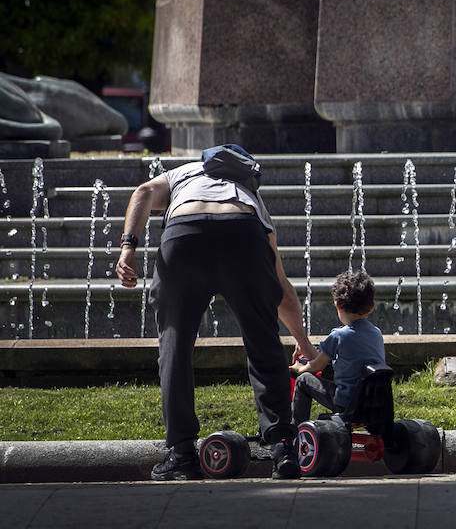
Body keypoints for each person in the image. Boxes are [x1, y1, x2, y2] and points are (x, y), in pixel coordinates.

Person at [115, 144, 317, 481]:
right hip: (243, 232)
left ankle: (181, 455)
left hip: (185, 233)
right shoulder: (251, 199)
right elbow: (281, 288)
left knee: (175, 347)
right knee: (263, 341)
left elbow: (144, 191)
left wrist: (127, 249)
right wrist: (304, 344)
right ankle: (283, 449)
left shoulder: (185, 172)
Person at [290, 269, 386, 426]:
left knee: (303, 380)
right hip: (374, 403)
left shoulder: (338, 336)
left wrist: (299, 369)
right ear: (372, 306)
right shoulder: (376, 333)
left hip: (347, 403)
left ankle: (295, 432)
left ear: (337, 305)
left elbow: (316, 366)